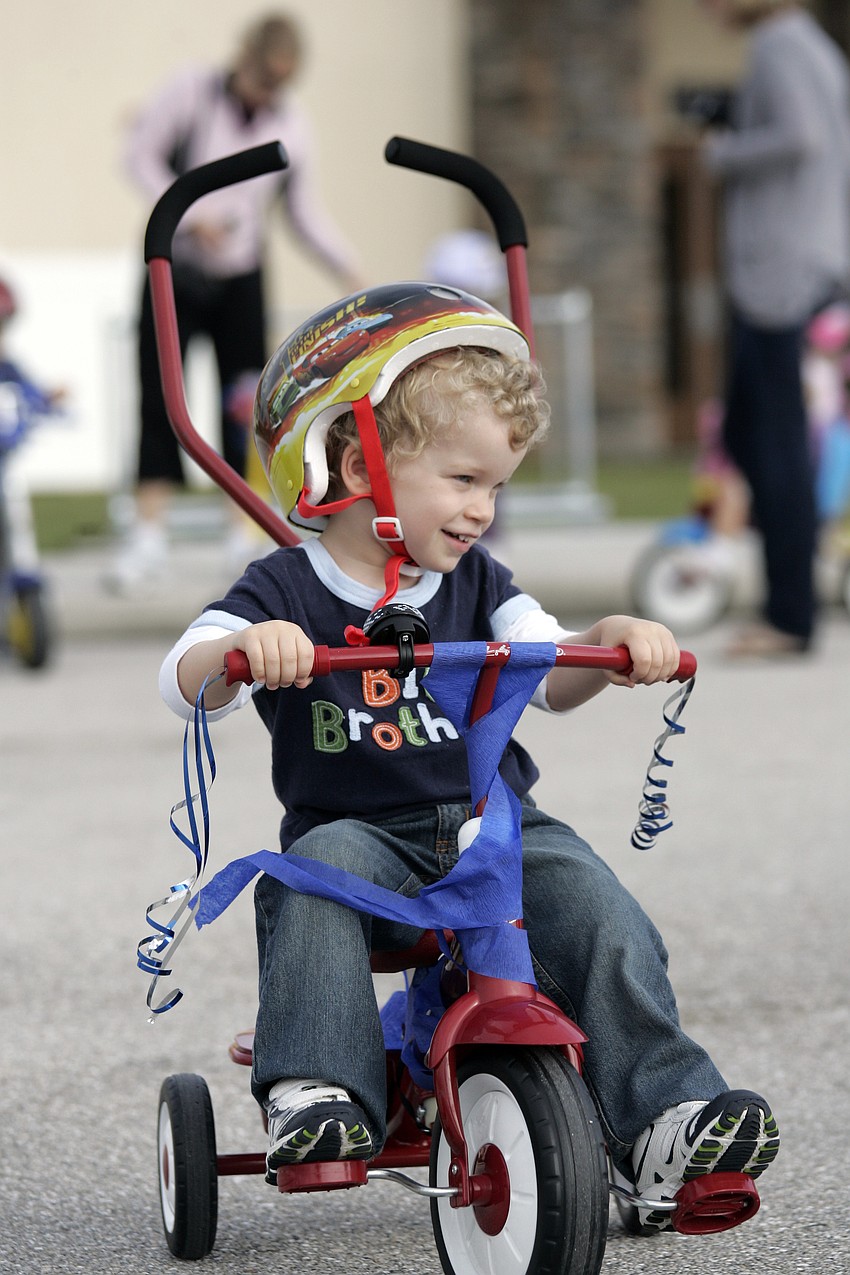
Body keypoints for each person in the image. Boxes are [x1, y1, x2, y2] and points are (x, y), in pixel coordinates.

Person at [159, 283, 780, 1229]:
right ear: (351, 456)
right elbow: (184, 678)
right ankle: (320, 1093)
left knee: (593, 901)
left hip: (493, 826)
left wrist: (613, 643)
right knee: (312, 878)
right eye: (462, 479)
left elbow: (551, 669)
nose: (484, 509)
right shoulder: (283, 585)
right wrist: (245, 653)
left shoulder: (481, 582)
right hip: (357, 832)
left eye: (496, 486)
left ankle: (667, 1115)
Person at [108, 12, 364, 591]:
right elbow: (139, 157)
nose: (269, 93)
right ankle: (148, 536)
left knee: (246, 403)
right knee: (160, 396)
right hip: (173, 265)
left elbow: (302, 210)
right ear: (245, 57)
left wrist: (347, 266)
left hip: (242, 274)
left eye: (280, 84)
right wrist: (192, 218)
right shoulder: (191, 91)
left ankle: (240, 536)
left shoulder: (291, 121)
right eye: (263, 77)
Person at [698, 0, 850, 656]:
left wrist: (723, 150)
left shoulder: (780, 45)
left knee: (775, 440)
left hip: (779, 279)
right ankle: (788, 594)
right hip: (796, 267)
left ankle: (791, 614)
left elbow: (802, 135)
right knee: (748, 433)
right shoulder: (808, 44)